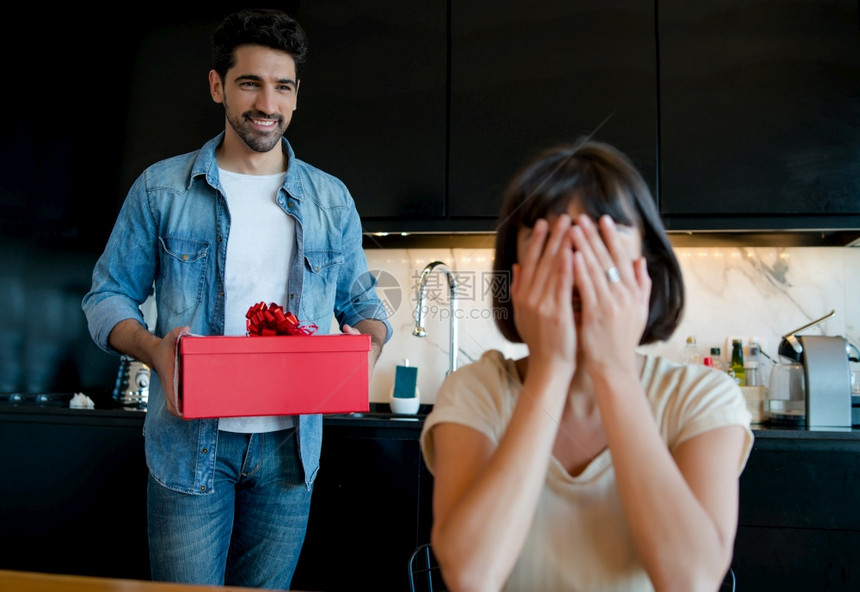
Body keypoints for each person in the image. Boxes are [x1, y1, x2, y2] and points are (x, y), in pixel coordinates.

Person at [82, 8, 391, 589]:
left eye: (282, 86)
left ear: (297, 97)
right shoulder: (162, 188)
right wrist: (153, 350)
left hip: (290, 455)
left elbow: (365, 305)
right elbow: (106, 296)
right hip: (190, 445)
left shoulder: (330, 199)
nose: (266, 104)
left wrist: (363, 349)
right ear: (218, 86)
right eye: (250, 83)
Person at [420, 140, 753, 591]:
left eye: (602, 234)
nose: (577, 263)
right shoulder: (474, 391)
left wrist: (612, 368)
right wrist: (552, 367)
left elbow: (690, 580)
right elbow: (470, 576)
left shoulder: (703, 399)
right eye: (550, 239)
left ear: (646, 264)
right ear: (515, 273)